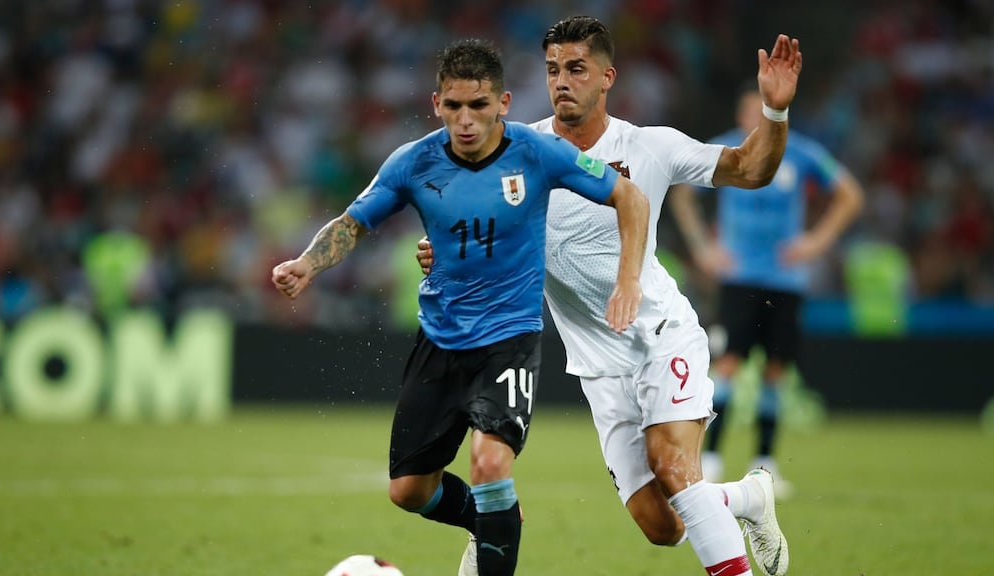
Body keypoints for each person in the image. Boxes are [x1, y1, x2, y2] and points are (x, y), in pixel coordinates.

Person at [417, 16, 800, 576]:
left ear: (607, 77)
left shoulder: (650, 146)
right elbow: (478, 230)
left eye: (576, 68)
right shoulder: (516, 154)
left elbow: (751, 168)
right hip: (599, 367)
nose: (562, 81)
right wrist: (443, 250)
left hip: (661, 336)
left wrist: (774, 112)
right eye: (552, 70)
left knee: (673, 465)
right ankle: (746, 498)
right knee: (663, 526)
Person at [271, 38, 651, 576]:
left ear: (504, 103)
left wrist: (627, 278)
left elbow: (630, 196)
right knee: (408, 490)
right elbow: (353, 223)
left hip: (509, 339)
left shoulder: (539, 153)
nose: (466, 120)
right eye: (454, 106)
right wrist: (307, 264)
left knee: (490, 462)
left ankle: (496, 531)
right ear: (436, 104)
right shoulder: (414, 162)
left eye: (478, 105)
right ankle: (496, 524)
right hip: (441, 340)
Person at [670, 82, 864, 495]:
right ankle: (712, 458)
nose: (754, 122)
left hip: (785, 280)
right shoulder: (725, 150)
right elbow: (682, 193)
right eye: (748, 115)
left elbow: (849, 194)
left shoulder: (803, 154)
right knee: (726, 366)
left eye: (762, 115)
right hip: (738, 279)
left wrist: (817, 241)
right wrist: (704, 248)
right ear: (740, 118)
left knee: (777, 371)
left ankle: (764, 464)